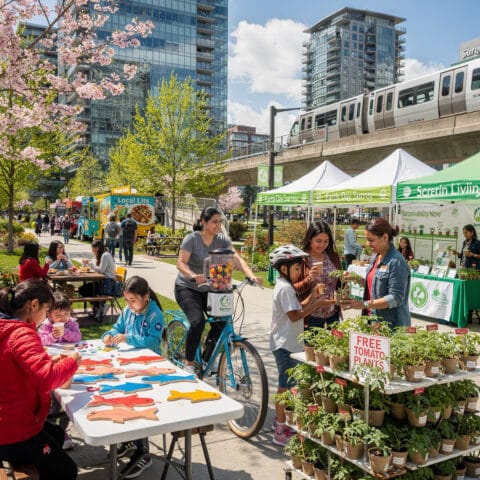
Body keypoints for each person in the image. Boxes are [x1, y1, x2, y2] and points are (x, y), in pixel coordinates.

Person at [0, 279, 80, 480]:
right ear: (33, 305)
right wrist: (72, 362)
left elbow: (14, 367)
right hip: (11, 431)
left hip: (9, 420)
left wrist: (47, 362)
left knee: (56, 434)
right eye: (45, 311)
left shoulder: (5, 326)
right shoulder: (20, 334)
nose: (44, 317)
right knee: (67, 471)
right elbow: (47, 379)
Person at [174, 206, 261, 375]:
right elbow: (180, 263)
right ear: (203, 223)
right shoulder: (191, 239)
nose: (218, 225)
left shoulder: (222, 240)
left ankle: (207, 357)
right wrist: (193, 275)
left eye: (220, 222)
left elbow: (237, 258)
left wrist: (251, 276)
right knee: (197, 321)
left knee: (222, 321)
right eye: (214, 221)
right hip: (187, 287)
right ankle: (189, 363)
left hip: (211, 288)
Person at [269, 245, 334, 446]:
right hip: (284, 344)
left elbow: (297, 308)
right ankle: (280, 429)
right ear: (283, 269)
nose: (300, 272)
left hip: (286, 342)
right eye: (297, 269)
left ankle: (281, 422)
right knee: (284, 387)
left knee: (288, 386)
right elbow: (295, 315)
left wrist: (313, 297)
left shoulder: (285, 286)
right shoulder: (286, 288)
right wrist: (316, 305)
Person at [102, 276, 164, 479]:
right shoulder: (128, 310)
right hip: (129, 364)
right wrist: (108, 335)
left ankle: (142, 451)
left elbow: (153, 342)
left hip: (149, 366)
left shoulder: (155, 313)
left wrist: (130, 338)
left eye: (133, 300)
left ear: (146, 297)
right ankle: (131, 440)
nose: (129, 305)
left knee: (138, 403)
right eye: (127, 300)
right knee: (122, 398)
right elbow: (117, 328)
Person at [345, 218, 411, 329]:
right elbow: (374, 285)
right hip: (373, 320)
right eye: (367, 240)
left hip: (391, 325)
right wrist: (356, 279)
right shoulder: (376, 257)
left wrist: (364, 304)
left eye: (371, 240)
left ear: (385, 237)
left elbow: (395, 298)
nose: (367, 244)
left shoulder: (396, 261)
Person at [38, 292, 81, 451]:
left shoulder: (72, 323)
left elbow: (78, 337)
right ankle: (50, 431)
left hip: (69, 363)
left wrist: (66, 333)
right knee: (53, 404)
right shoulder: (46, 325)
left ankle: (63, 431)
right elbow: (42, 341)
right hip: (54, 364)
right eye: (58, 314)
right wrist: (53, 336)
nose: (63, 317)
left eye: (66, 313)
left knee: (68, 401)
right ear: (49, 314)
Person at [294, 221, 342, 329]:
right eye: (318, 241)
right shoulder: (301, 259)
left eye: (326, 241)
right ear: (310, 239)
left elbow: (339, 282)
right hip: (310, 315)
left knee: (334, 344)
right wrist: (309, 278)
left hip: (333, 313)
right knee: (311, 345)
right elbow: (294, 289)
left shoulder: (332, 256)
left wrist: (344, 283)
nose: (322, 245)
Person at [78, 240, 116, 321]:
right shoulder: (104, 254)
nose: (92, 251)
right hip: (104, 281)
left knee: (83, 289)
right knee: (85, 289)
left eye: (93, 249)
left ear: (97, 248)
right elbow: (100, 270)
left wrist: (90, 264)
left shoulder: (105, 255)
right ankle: (99, 306)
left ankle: (100, 306)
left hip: (107, 283)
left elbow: (101, 270)